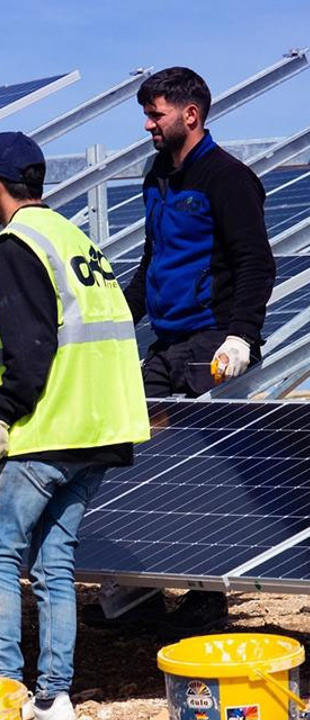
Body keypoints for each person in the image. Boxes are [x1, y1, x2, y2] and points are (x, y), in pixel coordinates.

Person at [0, 132, 150, 720]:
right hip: (102, 429)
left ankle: (3, 692)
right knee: (54, 561)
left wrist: (2, 414)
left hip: (48, 428)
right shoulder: (74, 238)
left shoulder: (15, 244)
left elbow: (31, 345)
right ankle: (54, 696)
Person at [115, 67, 275, 632]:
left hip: (213, 341)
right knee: (127, 447)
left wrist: (242, 335)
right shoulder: (157, 175)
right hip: (168, 340)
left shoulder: (227, 178)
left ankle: (208, 596)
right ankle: (142, 593)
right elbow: (151, 262)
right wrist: (113, 322)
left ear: (191, 114)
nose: (148, 125)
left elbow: (257, 261)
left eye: (156, 114)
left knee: (198, 472)